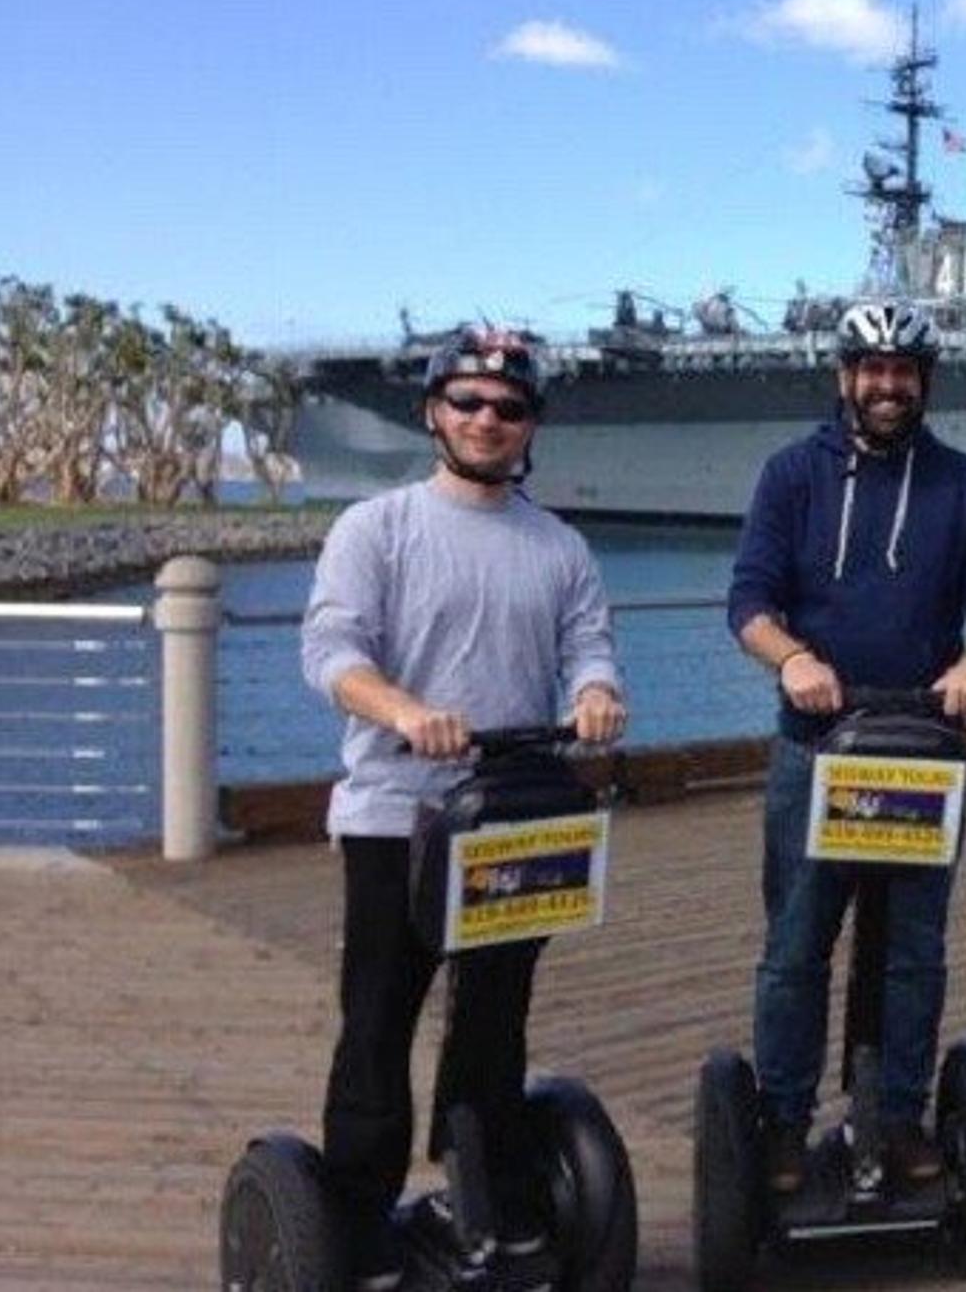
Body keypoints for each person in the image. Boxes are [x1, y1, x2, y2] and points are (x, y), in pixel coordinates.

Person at [301, 326, 626, 1290]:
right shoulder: (378, 528)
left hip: (512, 814)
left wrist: (598, 692)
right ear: (435, 411)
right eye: (469, 402)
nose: (488, 420)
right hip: (396, 816)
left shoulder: (560, 546)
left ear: (531, 426)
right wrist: (404, 708)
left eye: (509, 407)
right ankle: (358, 1218)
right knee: (378, 1018)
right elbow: (330, 651)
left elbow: (589, 643)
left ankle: (479, 1187)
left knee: (495, 1019)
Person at [726, 298, 966, 1196]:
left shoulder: (964, 482)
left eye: (903, 371)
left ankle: (895, 1112)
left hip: (920, 753)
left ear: (923, 381)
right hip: (816, 748)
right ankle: (781, 1117)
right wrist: (794, 659)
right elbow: (748, 602)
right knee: (797, 946)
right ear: (844, 377)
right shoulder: (791, 475)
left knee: (914, 948)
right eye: (871, 369)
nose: (886, 385)